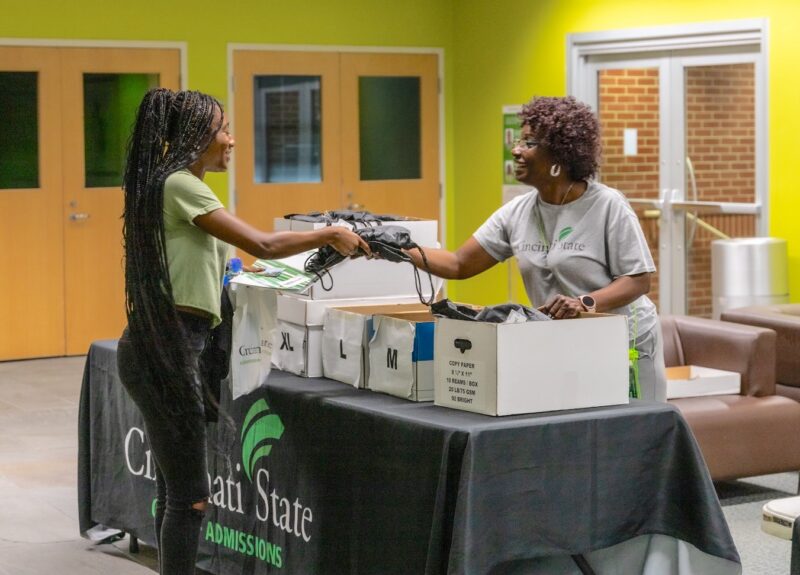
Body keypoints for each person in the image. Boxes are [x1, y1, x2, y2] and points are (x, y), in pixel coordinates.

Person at [115, 88, 369, 575]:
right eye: (223, 130)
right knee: (190, 501)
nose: (231, 140)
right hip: (166, 348)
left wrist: (257, 274)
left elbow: (237, 262)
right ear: (197, 138)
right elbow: (264, 242)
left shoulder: (183, 187)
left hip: (173, 345)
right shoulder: (179, 185)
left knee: (175, 490)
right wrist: (328, 231)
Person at [406, 95, 666, 402]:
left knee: (633, 431)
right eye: (519, 141)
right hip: (562, 341)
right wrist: (394, 247)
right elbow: (459, 264)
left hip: (626, 343)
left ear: (559, 155)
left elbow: (638, 280)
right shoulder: (518, 211)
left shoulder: (607, 205)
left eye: (529, 143)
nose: (515, 150)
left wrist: (585, 302)